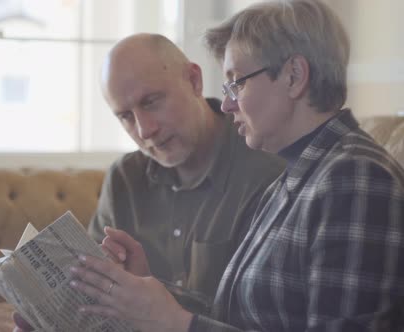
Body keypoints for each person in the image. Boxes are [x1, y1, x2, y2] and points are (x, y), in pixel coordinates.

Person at [68, 1, 404, 331]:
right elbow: (236, 316)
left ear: (294, 76)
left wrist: (176, 323)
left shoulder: (355, 178)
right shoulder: (296, 178)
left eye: (237, 82)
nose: (227, 104)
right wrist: (147, 287)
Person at [12, 33, 284, 331]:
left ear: (194, 80)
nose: (145, 130)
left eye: (151, 102)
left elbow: (261, 318)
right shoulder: (123, 180)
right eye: (126, 116)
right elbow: (90, 294)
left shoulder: (267, 171)